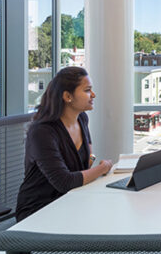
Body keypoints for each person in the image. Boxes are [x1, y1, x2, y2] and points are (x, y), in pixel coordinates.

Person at [15, 67, 112, 222]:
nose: (93, 95)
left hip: (71, 201)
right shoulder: (42, 132)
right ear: (67, 96)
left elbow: (86, 162)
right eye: (87, 90)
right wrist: (103, 168)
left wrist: (92, 162)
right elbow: (64, 182)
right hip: (39, 210)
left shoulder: (82, 119)